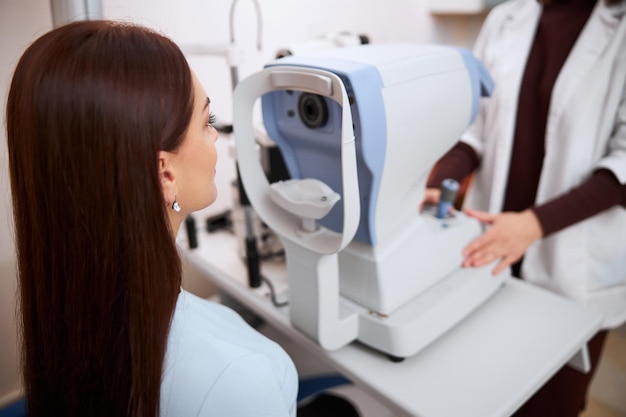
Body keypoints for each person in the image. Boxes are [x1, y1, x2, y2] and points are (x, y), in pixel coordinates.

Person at [6, 20, 298, 417]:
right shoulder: (236, 379)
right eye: (207, 123)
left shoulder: (64, 320)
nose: (215, 138)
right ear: (165, 174)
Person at [424, 0, 626, 416]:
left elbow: (622, 165)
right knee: (485, 392)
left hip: (570, 264)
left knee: (553, 404)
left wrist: (533, 225)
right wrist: (442, 184)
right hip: (491, 247)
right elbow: (473, 125)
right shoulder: (506, 19)